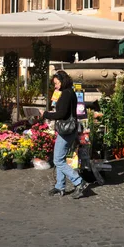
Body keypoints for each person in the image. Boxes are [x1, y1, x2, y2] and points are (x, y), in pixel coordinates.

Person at [41, 70, 89, 199]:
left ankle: (79, 182)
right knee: (59, 158)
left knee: (57, 160)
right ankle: (60, 186)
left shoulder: (66, 94)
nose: (55, 86)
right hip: (67, 129)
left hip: (66, 131)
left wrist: (46, 114)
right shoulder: (69, 92)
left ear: (62, 82)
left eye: (56, 83)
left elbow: (61, 114)